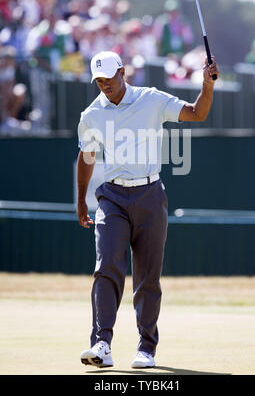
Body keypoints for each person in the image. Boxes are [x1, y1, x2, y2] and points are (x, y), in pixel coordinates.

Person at [77, 50, 219, 369]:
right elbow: (86, 158)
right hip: (111, 197)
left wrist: (207, 86)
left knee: (147, 277)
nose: (104, 85)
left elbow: (197, 113)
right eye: (98, 81)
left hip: (150, 195)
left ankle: (146, 348)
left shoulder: (151, 99)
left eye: (108, 78)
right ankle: (101, 343)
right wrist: (80, 202)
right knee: (106, 267)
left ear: (123, 72)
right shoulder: (91, 114)